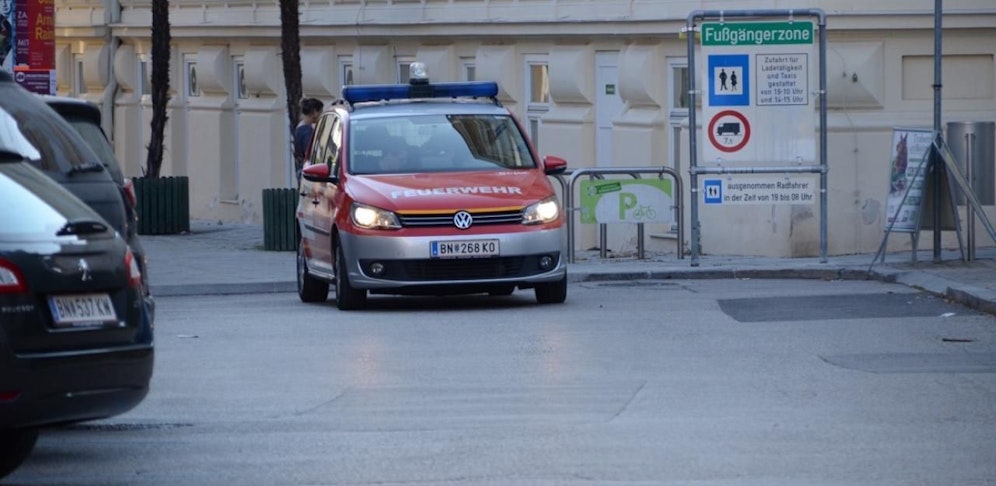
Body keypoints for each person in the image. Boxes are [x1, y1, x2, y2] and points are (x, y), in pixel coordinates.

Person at [294, 97, 324, 171]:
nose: (320, 116)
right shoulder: (307, 131)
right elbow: (310, 153)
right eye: (320, 113)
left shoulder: (300, 127)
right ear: (314, 112)